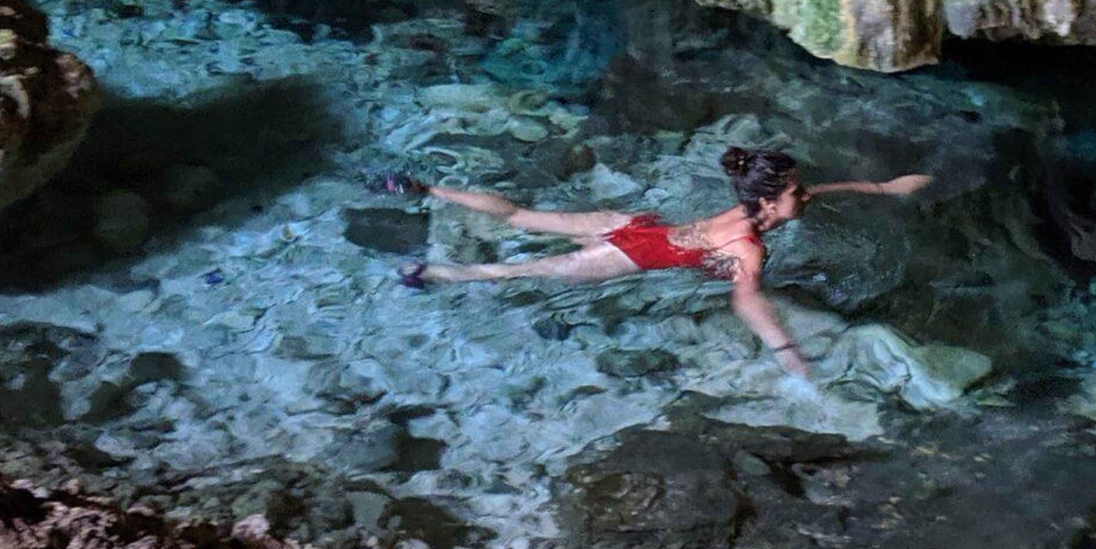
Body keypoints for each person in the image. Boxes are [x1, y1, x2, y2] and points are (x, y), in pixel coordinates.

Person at [389, 148, 932, 378]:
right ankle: (434, 274)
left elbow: (833, 187)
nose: (805, 195)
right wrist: (788, 353)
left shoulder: (753, 205)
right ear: (770, 203)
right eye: (795, 191)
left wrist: (887, 187)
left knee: (521, 217)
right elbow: (747, 300)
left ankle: (429, 188)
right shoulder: (748, 247)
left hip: (637, 225)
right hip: (632, 252)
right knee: (525, 270)